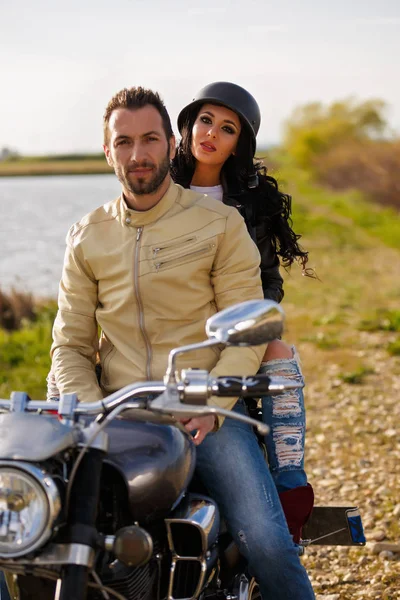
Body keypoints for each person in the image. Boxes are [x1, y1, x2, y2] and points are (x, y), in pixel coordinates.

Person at [50, 86, 314, 599]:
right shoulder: (87, 235)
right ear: (108, 151)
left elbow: (251, 326)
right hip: (116, 417)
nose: (138, 153)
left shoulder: (219, 221)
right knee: (31, 528)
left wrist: (212, 403)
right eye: (123, 141)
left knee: (265, 540)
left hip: (203, 415)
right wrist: (87, 413)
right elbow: (71, 346)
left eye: (150, 138)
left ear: (171, 144)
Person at [172, 81, 314, 543]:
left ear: (239, 144)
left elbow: (270, 281)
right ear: (189, 125)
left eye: (227, 128)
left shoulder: (252, 203)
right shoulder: (162, 189)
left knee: (277, 345)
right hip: (175, 327)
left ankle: (290, 485)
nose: (210, 133)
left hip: (235, 325)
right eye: (205, 120)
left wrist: (250, 318)